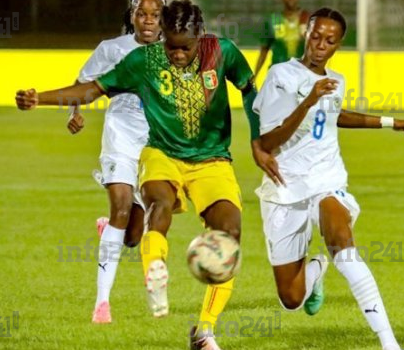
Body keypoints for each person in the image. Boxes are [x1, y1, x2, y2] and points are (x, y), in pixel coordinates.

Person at [15, 1, 281, 348]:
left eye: (185, 47)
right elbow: (93, 90)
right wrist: (41, 99)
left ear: (200, 37)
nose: (177, 54)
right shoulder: (144, 60)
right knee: (159, 203)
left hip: (212, 160)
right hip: (161, 154)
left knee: (229, 235)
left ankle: (204, 331)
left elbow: (249, 89)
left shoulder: (223, 52)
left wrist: (258, 141)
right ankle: (156, 273)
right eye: (170, 45)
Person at [253, 8, 404, 350]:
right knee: (291, 298)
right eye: (316, 36)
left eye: (330, 40)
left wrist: (394, 123)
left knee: (344, 249)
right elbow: (269, 143)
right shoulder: (281, 75)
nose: (321, 45)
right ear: (306, 33)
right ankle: (316, 270)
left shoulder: (336, 80)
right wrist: (308, 101)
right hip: (285, 189)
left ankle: (389, 342)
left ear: (339, 44)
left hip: (326, 179)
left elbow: (336, 116)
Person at [65, 0, 164, 324]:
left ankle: (109, 230)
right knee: (121, 209)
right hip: (119, 140)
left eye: (155, 15)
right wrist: (74, 112)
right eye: (142, 14)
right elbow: (83, 84)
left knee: (133, 235)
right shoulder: (112, 49)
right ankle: (102, 305)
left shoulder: (174, 52)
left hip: (154, 146)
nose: (148, 21)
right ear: (132, 17)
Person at [254, 0, 309, 79]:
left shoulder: (307, 19)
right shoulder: (272, 20)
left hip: (301, 76)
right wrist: (255, 75)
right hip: (278, 76)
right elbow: (263, 51)